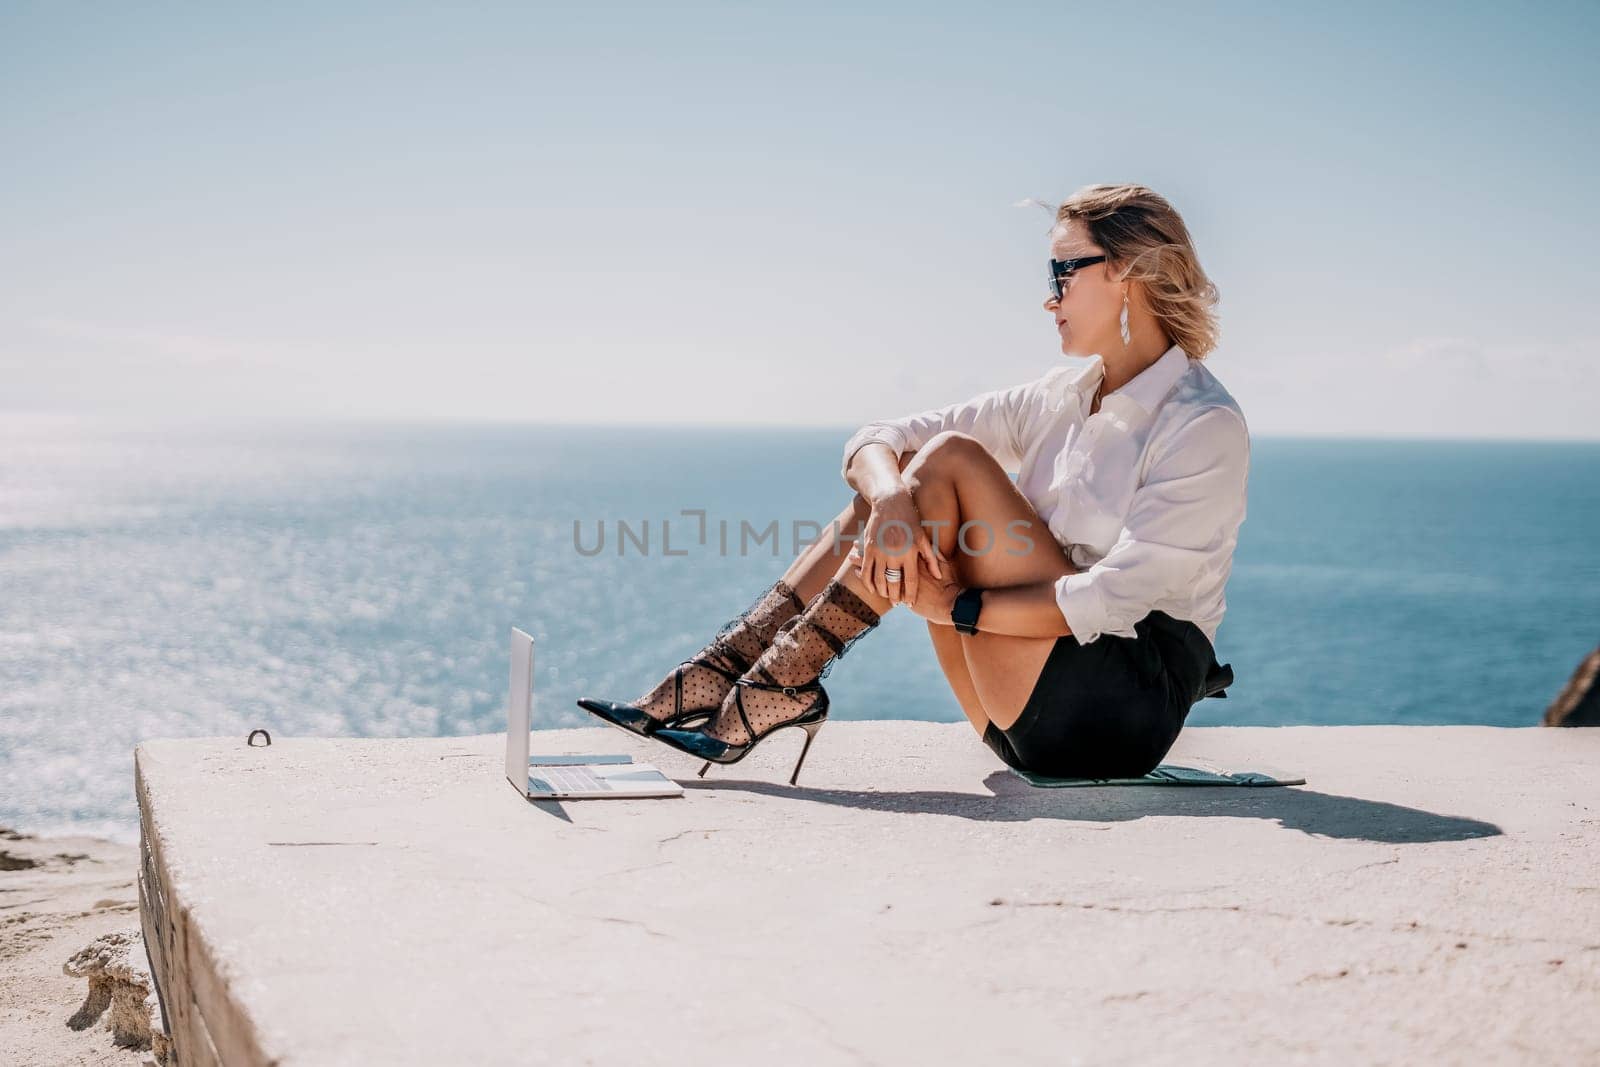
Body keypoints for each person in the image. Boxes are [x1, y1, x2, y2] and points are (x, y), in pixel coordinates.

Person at [578, 183, 1248, 785]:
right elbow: (880, 436)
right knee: (906, 478)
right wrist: (892, 499)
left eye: (1062, 271)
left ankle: (773, 679)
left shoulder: (1199, 422)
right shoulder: (1063, 395)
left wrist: (953, 604)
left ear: (1126, 271)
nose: (1050, 297)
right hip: (1015, 712)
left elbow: (1107, 598)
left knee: (950, 459)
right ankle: (741, 669)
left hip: (1117, 711)